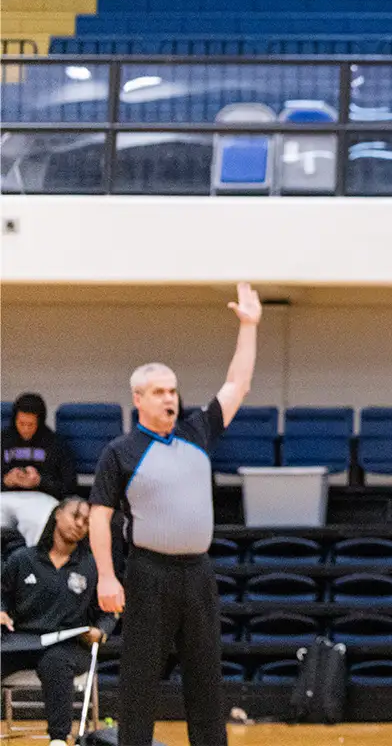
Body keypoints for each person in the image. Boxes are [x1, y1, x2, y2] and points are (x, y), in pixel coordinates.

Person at [89, 282, 261, 746]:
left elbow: (238, 383)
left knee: (206, 679)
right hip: (148, 573)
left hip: (198, 574)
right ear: (138, 399)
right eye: (160, 391)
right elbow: (99, 516)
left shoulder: (198, 430)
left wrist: (249, 325)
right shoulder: (120, 451)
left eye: (173, 390)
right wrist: (107, 577)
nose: (170, 398)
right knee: (139, 681)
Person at [0, 497, 113, 746]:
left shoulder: (91, 566)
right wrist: (1, 610)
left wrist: (101, 630)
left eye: (86, 521)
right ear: (57, 514)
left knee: (56, 661)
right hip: (22, 641)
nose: (80, 524)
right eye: (75, 516)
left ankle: (58, 739)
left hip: (69, 643)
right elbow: (2, 594)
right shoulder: (22, 559)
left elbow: (107, 612)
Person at [2, 394, 80, 557]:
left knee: (40, 523)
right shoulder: (3, 440)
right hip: (5, 496)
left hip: (40, 497)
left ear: (40, 422)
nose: (25, 429)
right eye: (21, 423)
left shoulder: (55, 444)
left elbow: (69, 485)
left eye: (30, 425)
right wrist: (5, 480)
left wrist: (39, 481)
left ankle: (36, 570)